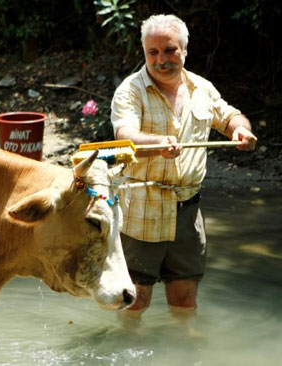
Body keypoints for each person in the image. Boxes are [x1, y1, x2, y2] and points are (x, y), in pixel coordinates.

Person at [110, 14, 257, 327]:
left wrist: (241, 131)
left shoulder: (201, 88)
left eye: (169, 50)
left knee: (185, 300)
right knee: (135, 301)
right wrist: (155, 142)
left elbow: (232, 117)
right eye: (153, 52)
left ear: (185, 51)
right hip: (142, 212)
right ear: (145, 53)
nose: (161, 60)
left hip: (187, 214)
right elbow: (124, 135)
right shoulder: (130, 91)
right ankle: (127, 351)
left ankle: (184, 351)